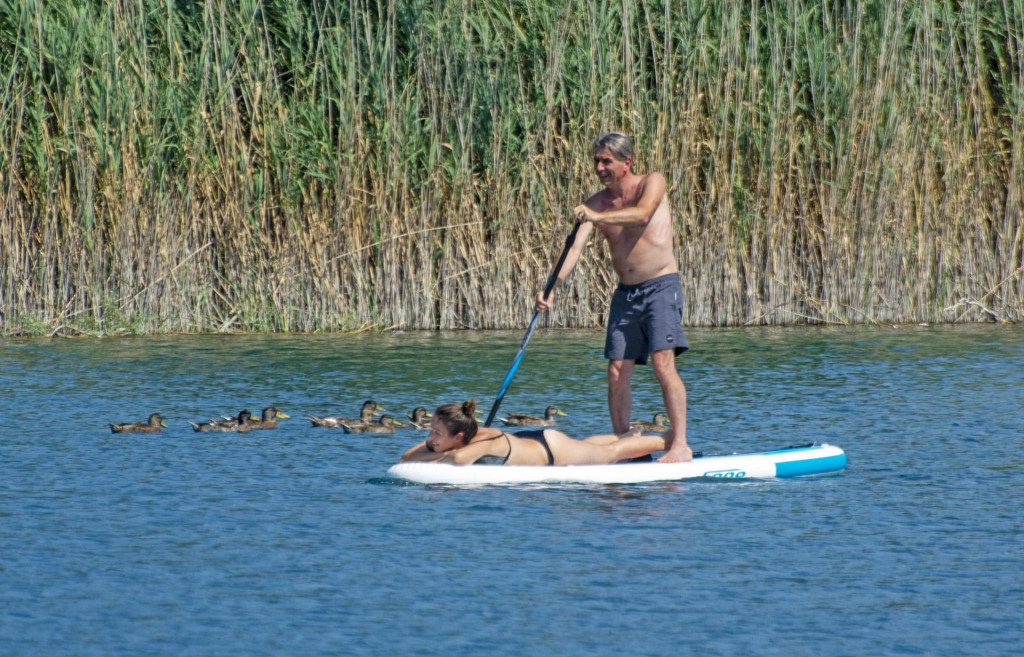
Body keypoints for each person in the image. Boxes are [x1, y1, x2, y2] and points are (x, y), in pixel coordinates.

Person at [534, 132, 693, 462]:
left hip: (661, 287)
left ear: (626, 163)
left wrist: (597, 217)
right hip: (626, 294)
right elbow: (574, 250)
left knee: (664, 366)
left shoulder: (653, 182)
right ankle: (625, 447)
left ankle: (679, 445)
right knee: (617, 373)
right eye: (596, 161)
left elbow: (643, 213)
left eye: (606, 161)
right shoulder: (595, 204)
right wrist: (550, 288)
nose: (599, 167)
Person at [399, 401, 667, 465]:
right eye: (432, 431)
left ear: (459, 438)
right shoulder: (465, 436)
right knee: (586, 444)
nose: (430, 437)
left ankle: (668, 439)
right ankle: (627, 434)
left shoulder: (475, 445)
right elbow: (405, 458)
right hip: (537, 440)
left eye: (436, 432)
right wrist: (432, 446)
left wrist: (433, 452)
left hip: (552, 451)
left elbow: (457, 460)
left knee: (611, 454)